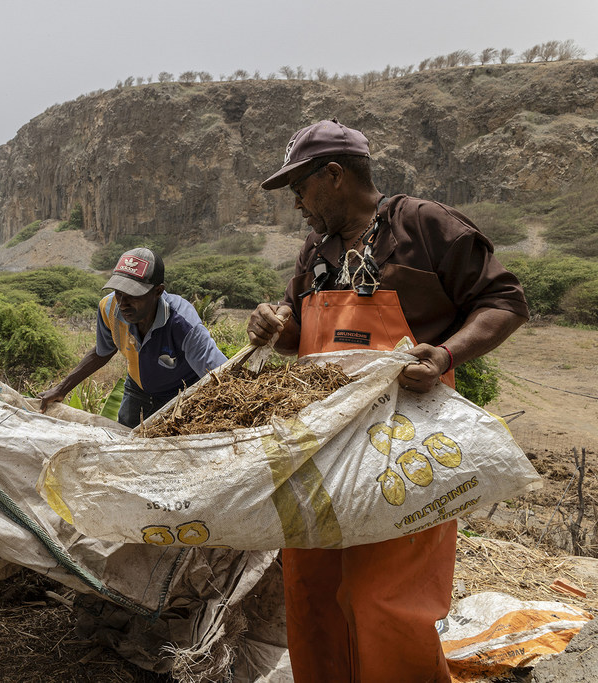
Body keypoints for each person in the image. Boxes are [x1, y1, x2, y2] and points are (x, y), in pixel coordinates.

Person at [247, 119, 529, 683]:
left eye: (300, 187)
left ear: (334, 174)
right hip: (323, 448)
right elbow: (296, 332)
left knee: (385, 597)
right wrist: (271, 326)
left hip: (405, 446)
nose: (297, 203)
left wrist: (445, 355)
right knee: (312, 588)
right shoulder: (316, 249)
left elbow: (504, 301)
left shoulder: (424, 225)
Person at [39, 247, 227, 427]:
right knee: (126, 442)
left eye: (133, 295)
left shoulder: (183, 323)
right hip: (138, 391)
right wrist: (61, 389)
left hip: (182, 394)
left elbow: (222, 376)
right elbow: (102, 351)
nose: (123, 303)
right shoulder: (109, 308)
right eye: (119, 293)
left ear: (158, 291)